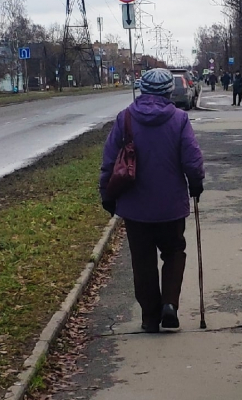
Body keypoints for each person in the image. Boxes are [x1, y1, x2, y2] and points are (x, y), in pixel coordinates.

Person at [99, 68, 205, 333]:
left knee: (142, 260)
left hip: (135, 207)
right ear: (168, 91)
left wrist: (107, 195)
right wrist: (196, 184)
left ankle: (149, 317)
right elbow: (191, 160)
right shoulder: (179, 119)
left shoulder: (125, 119)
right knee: (174, 252)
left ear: (142, 89)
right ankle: (169, 304)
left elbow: (110, 162)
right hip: (171, 205)